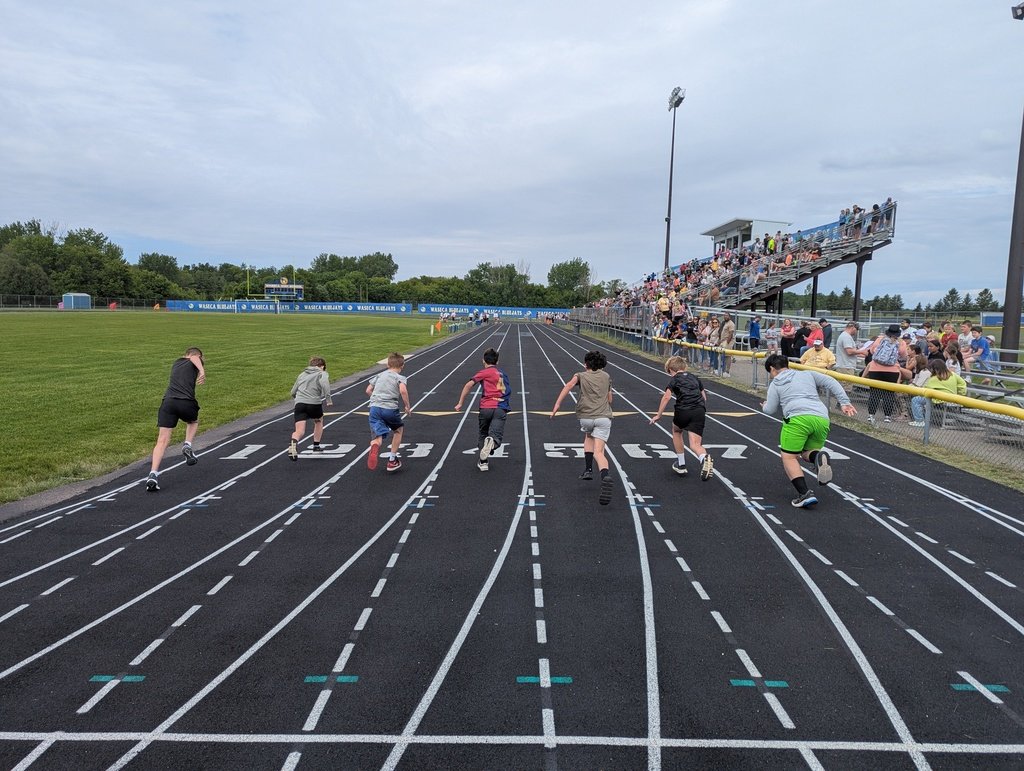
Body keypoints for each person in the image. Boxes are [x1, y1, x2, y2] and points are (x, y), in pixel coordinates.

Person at [761, 354, 857, 508]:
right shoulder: (807, 374)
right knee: (807, 452)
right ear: (788, 365)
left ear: (772, 369)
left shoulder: (776, 383)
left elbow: (770, 409)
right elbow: (831, 381)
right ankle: (818, 456)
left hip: (797, 419)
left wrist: (764, 405)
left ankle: (804, 494)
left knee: (789, 457)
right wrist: (844, 402)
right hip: (821, 417)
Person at [550, 350, 615, 505]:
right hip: (604, 417)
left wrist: (557, 404)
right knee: (599, 452)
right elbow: (610, 399)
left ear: (586, 364)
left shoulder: (580, 375)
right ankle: (605, 475)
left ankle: (588, 469)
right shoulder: (606, 377)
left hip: (586, 417)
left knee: (588, 436)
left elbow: (568, 386)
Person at [146, 347, 206, 491]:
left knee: (162, 441)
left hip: (168, 402)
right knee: (193, 421)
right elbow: (194, 358)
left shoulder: (176, 363)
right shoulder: (193, 359)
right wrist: (202, 371)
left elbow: (192, 357)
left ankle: (153, 474)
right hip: (185, 401)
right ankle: (187, 445)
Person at [648, 356, 714, 480]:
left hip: (683, 410)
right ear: (684, 367)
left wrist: (658, 415)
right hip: (699, 410)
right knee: (695, 444)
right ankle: (704, 457)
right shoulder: (695, 378)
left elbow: (666, 397)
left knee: (677, 431)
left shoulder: (674, 380)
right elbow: (704, 397)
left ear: (671, 369)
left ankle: (681, 464)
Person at [455, 347, 511, 472]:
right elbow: (507, 391)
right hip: (500, 408)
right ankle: (491, 443)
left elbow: (469, 384)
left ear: (483, 361)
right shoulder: (503, 374)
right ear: (497, 362)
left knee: (483, 434)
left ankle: (483, 461)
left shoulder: (484, 372)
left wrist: (460, 403)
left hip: (486, 407)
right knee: (496, 437)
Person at [366, 352, 412, 472]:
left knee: (377, 437)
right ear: (402, 366)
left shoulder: (380, 375)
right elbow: (403, 390)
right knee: (398, 430)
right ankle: (392, 460)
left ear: (387, 365)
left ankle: (375, 445)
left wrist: (375, 399)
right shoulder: (400, 377)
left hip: (374, 408)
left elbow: (368, 390)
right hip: (389, 408)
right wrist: (407, 406)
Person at [288, 356, 333, 460]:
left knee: (299, 431)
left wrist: (298, 399)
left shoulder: (302, 374)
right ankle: (316, 446)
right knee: (318, 421)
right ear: (321, 366)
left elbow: (293, 392)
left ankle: (293, 441)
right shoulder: (322, 373)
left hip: (299, 404)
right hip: (314, 403)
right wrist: (328, 399)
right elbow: (325, 384)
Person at [865, 324, 906, 424]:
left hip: (875, 369)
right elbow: (903, 355)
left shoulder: (880, 339)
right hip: (892, 371)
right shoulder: (901, 342)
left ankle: (871, 415)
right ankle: (887, 416)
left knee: (874, 393)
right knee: (889, 394)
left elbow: (871, 350)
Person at [909, 359, 967, 427]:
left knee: (915, 400)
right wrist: (960, 394)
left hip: (937, 400)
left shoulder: (933, 379)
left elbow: (926, 391)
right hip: (952, 399)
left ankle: (920, 421)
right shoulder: (953, 375)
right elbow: (963, 384)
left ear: (934, 369)